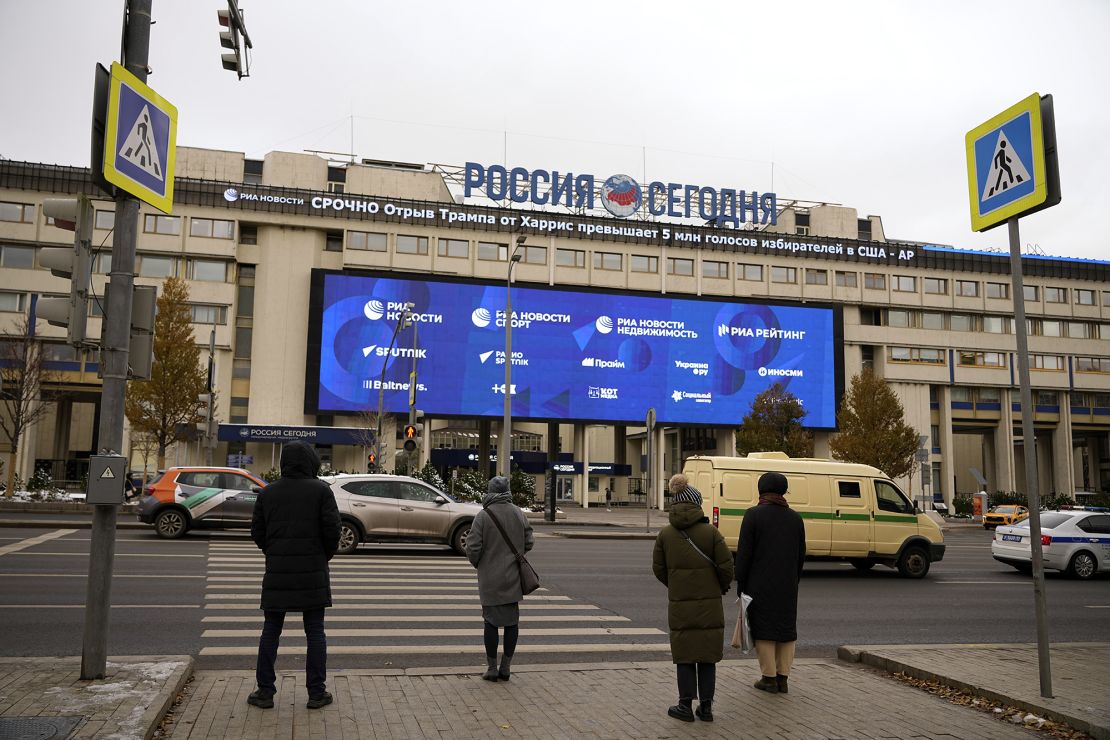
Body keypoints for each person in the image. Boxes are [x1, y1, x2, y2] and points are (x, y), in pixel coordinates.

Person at [247, 442, 341, 710]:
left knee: (271, 631)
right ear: (311, 461)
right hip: (313, 573)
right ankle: (316, 693)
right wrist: (323, 556)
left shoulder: (269, 493)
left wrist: (274, 552)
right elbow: (333, 531)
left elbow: (257, 532)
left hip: (278, 572)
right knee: (315, 632)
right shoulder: (321, 491)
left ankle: (265, 692)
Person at [653, 473, 733, 722]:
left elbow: (659, 569)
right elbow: (727, 567)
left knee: (685, 654)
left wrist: (677, 585)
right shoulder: (711, 533)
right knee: (707, 655)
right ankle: (706, 708)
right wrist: (718, 586)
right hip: (710, 605)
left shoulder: (665, 534)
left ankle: (685, 706)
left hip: (680, 604)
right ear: (697, 504)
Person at [735, 471, 806, 695]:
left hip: (759, 583)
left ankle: (768, 678)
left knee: (763, 628)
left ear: (761, 489)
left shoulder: (753, 515)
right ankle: (783, 678)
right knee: (786, 629)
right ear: (783, 491)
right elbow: (800, 555)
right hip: (787, 584)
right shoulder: (795, 518)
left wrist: (741, 583)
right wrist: (794, 580)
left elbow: (744, 555)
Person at [466, 476, 534, 681]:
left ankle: (492, 668)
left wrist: (481, 563)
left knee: (491, 623)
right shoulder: (518, 513)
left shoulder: (483, 516)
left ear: (490, 491)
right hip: (513, 577)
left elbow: (473, 548)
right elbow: (529, 541)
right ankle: (506, 667)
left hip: (490, 579)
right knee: (512, 623)